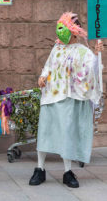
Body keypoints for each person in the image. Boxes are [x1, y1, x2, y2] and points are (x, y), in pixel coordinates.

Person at [29, 12, 104, 188]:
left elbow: (92, 69)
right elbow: (48, 66)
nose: (61, 32)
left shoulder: (83, 51)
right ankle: (39, 169)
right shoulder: (56, 48)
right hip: (50, 97)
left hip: (69, 99)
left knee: (66, 135)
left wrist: (96, 54)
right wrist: (42, 76)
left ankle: (67, 172)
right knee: (45, 133)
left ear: (74, 31)